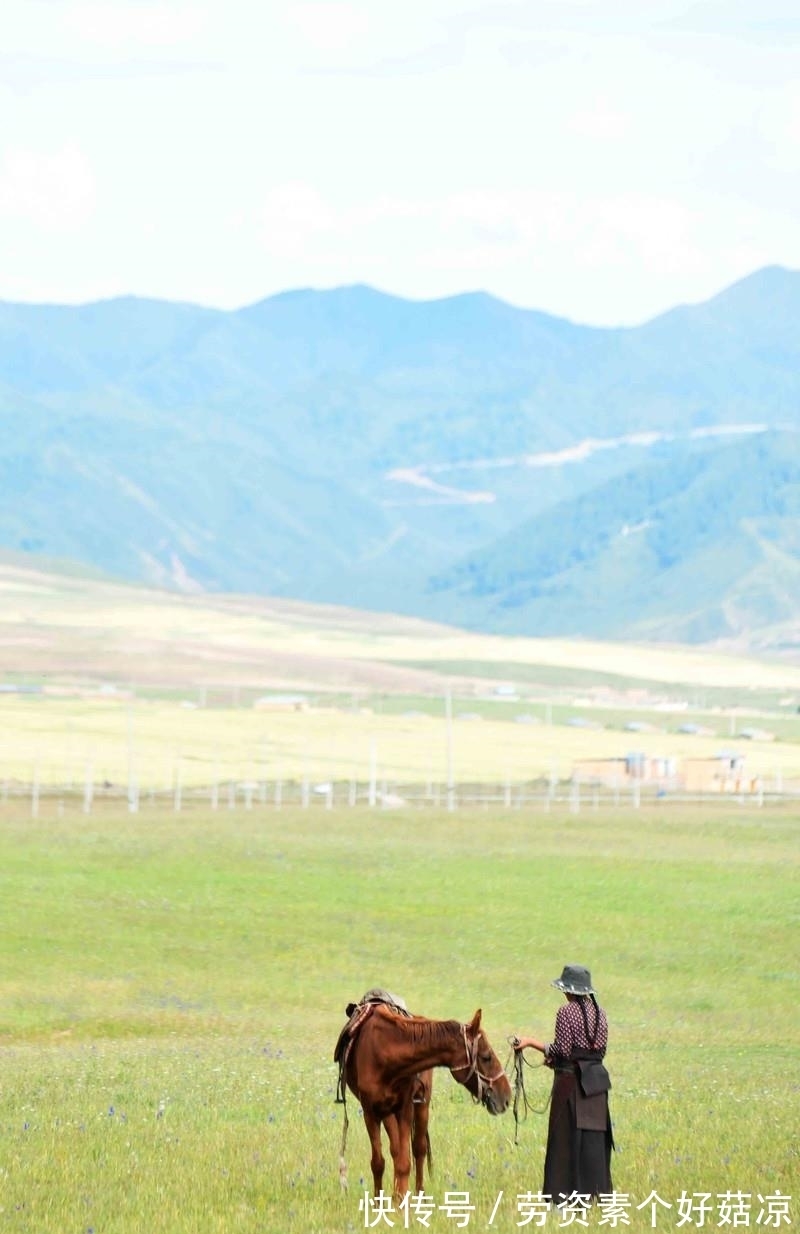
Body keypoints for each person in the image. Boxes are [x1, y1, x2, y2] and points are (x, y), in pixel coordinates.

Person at [512, 964, 613, 1203]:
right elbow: (599, 1051)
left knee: (565, 1139)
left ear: (568, 990)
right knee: (593, 1141)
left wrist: (530, 1043)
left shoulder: (566, 1013)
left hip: (570, 1084)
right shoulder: (602, 1014)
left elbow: (563, 1050)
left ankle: (563, 1197)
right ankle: (596, 1195)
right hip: (597, 1083)